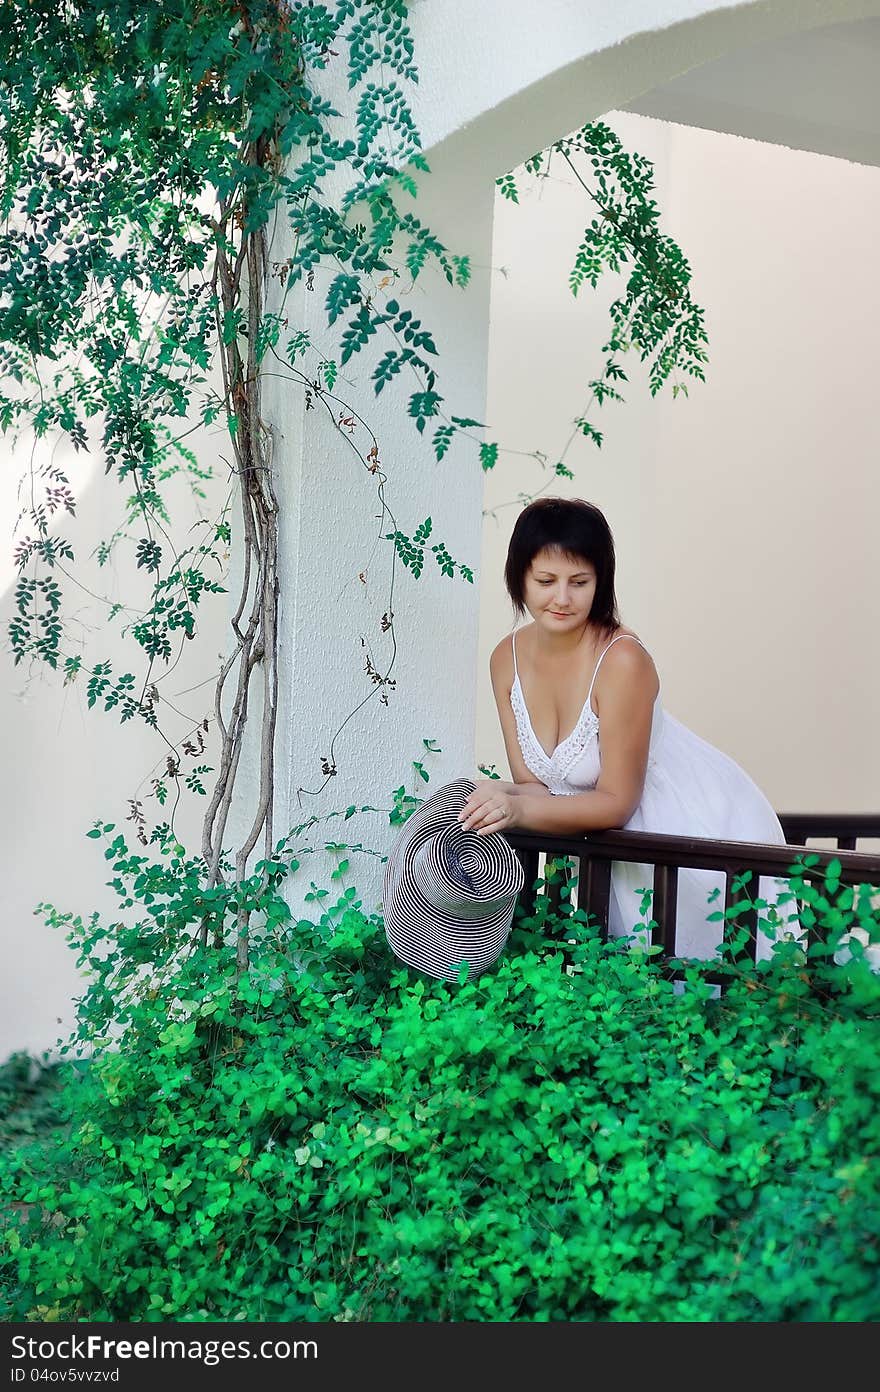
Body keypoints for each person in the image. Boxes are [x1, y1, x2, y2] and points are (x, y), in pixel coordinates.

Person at [458, 497, 793, 959]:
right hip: (611, 849)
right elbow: (540, 789)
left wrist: (516, 812)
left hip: (685, 831)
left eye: (579, 582)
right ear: (519, 578)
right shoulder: (505, 659)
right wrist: (496, 795)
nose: (562, 598)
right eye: (545, 581)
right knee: (633, 993)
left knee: (717, 984)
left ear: (601, 582)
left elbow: (617, 802)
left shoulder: (622, 660)